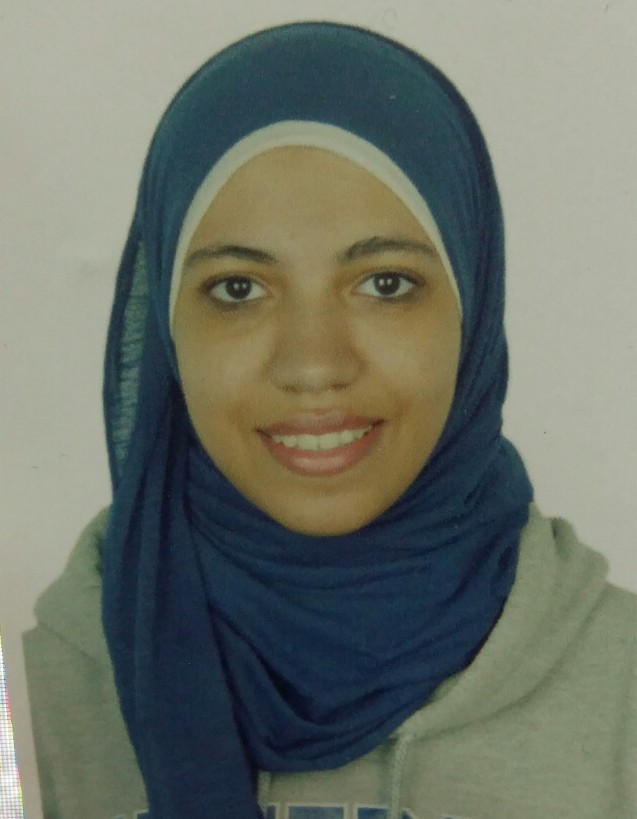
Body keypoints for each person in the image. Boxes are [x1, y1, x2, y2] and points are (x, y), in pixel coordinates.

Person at [23, 21, 636, 819]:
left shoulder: (622, 696)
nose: (313, 363)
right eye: (238, 289)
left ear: (472, 310)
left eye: (385, 283)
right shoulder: (27, 720)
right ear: (169, 338)